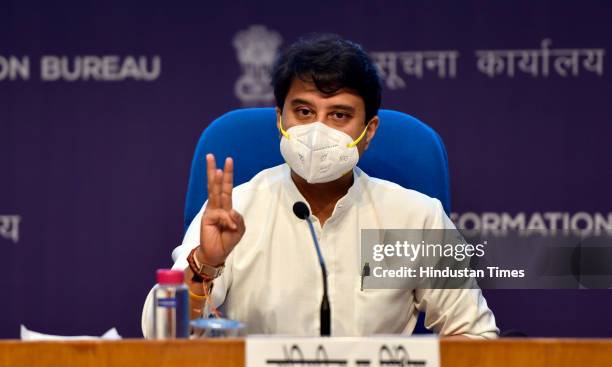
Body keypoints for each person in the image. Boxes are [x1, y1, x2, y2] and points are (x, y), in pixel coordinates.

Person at [141, 34, 498, 338]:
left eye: (339, 115)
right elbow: (159, 332)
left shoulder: (414, 217)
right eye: (304, 112)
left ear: (368, 131)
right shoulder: (237, 210)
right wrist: (205, 263)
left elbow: (474, 334)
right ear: (280, 118)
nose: (318, 130)